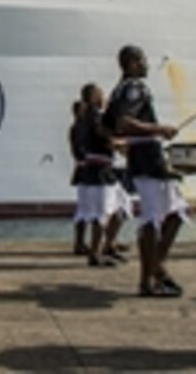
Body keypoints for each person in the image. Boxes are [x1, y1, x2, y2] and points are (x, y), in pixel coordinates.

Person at [104, 45, 186, 297]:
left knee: (176, 212)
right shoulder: (134, 88)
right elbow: (124, 122)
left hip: (142, 155)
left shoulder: (117, 91)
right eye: (142, 61)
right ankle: (149, 277)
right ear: (131, 64)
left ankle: (156, 268)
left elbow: (108, 126)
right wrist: (159, 129)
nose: (147, 65)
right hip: (148, 156)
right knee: (153, 217)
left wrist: (124, 141)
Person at [73, 84, 129, 267]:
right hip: (99, 171)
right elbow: (101, 134)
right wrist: (117, 143)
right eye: (100, 94)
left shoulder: (81, 120)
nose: (103, 97)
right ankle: (95, 254)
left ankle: (108, 244)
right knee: (101, 214)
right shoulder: (94, 116)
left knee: (121, 206)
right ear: (93, 96)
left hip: (97, 170)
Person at [68, 99, 88, 255]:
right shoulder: (79, 128)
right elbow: (79, 150)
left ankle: (81, 242)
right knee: (84, 209)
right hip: (87, 170)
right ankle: (80, 243)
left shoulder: (77, 128)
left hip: (85, 170)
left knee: (84, 208)